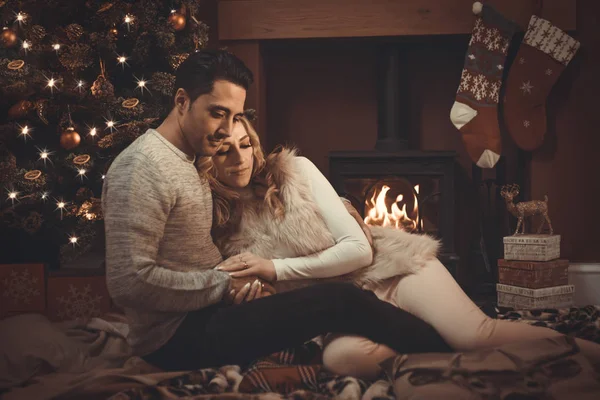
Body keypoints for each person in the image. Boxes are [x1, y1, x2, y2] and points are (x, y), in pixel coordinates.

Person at [102, 49, 452, 372]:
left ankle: (427, 340)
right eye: (217, 113)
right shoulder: (141, 167)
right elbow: (129, 283)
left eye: (235, 116)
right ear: (182, 101)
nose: (226, 131)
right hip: (176, 338)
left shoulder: (193, 158)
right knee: (341, 301)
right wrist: (223, 285)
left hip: (212, 308)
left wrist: (340, 207)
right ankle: (449, 353)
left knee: (336, 302)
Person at [204, 116, 600, 379]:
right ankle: (445, 347)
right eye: (225, 150)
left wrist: (273, 269)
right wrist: (260, 295)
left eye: (246, 145)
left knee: (476, 334)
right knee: (341, 360)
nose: (241, 158)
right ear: (208, 161)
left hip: (388, 269)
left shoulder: (296, 171)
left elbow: (358, 252)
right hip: (346, 311)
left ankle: (588, 352)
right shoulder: (220, 229)